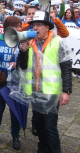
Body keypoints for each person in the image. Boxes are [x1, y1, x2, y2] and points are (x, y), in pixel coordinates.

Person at [18, 10, 72, 153]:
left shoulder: (57, 42)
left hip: (51, 93)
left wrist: (66, 91)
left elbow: (66, 67)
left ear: (47, 27)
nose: (35, 28)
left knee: (50, 127)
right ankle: (42, 149)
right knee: (38, 125)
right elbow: (22, 67)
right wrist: (23, 52)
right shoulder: (30, 43)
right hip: (35, 91)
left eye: (39, 25)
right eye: (34, 25)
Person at [0, 16, 22, 150]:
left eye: (20, 26)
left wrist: (18, 64)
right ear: (9, 27)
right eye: (17, 26)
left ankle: (15, 136)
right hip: (0, 83)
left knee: (15, 113)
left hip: (15, 83)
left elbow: (28, 62)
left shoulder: (22, 42)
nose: (19, 29)